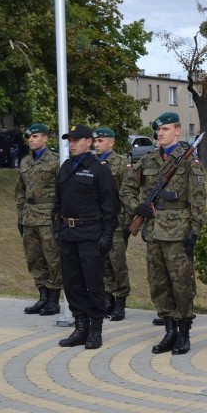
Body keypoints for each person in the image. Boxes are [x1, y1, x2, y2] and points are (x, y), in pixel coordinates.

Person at [121, 112, 206, 355]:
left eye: (166, 129)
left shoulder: (189, 161)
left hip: (178, 233)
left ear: (178, 131)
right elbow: (126, 188)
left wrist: (195, 231)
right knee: (158, 283)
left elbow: (198, 200)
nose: (160, 134)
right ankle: (169, 330)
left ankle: (184, 333)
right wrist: (135, 208)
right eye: (158, 130)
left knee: (181, 283)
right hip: (154, 232)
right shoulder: (148, 160)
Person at [53, 125, 120, 349]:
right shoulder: (65, 167)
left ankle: (96, 330)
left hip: (91, 235)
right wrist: (57, 228)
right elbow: (58, 201)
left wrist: (107, 235)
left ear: (89, 142)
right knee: (72, 284)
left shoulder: (98, 169)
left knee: (93, 284)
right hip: (68, 234)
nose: (72, 143)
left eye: (76, 139)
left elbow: (110, 205)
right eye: (69, 140)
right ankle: (80, 327)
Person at [15, 123, 62, 315]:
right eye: (29, 137)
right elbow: (20, 190)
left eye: (35, 137)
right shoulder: (25, 161)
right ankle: (42, 297)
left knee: (53, 259)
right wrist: (20, 213)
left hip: (48, 217)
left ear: (45, 138)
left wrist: (59, 216)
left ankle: (54, 300)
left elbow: (63, 190)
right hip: (29, 217)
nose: (31, 140)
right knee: (33, 258)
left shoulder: (56, 161)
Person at [93, 127, 132, 321]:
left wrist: (126, 222)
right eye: (95, 141)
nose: (96, 144)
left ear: (111, 143)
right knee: (103, 262)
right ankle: (107, 298)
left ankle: (120, 302)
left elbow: (127, 194)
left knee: (117, 263)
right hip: (97, 221)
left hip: (115, 221)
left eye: (100, 141)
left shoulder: (120, 164)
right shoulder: (93, 163)